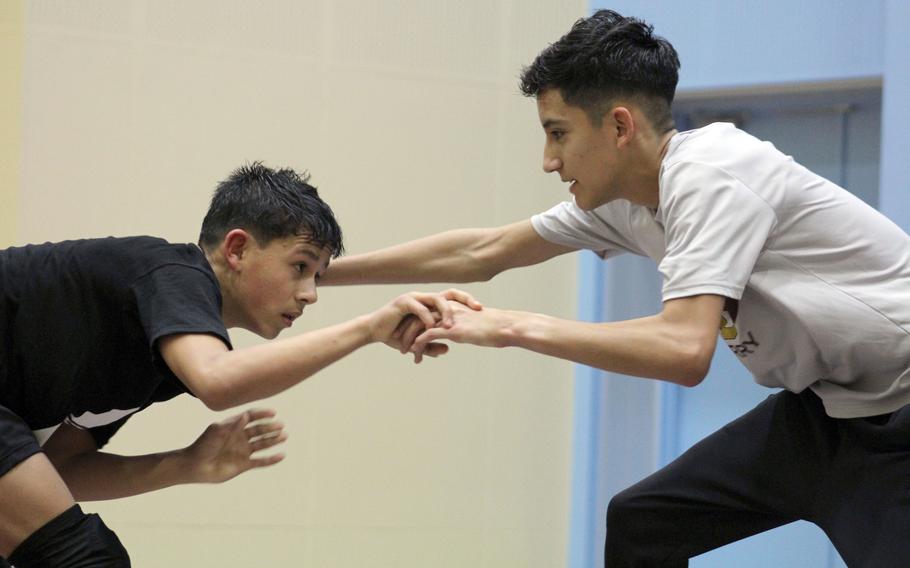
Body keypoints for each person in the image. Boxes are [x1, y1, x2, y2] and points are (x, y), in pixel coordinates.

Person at [320, 9, 910, 566]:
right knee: (643, 520)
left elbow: (683, 350)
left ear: (619, 126)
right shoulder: (628, 202)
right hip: (828, 411)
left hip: (901, 414)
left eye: (558, 133)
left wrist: (508, 326)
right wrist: (318, 272)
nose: (548, 160)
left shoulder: (713, 172)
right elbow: (483, 251)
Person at [0, 162, 473, 567]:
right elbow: (219, 382)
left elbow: (59, 468)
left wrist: (185, 464)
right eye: (300, 267)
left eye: (318, 276)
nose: (310, 294)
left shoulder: (158, 346)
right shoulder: (174, 272)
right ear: (237, 249)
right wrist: (368, 329)